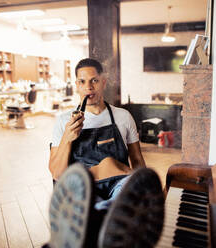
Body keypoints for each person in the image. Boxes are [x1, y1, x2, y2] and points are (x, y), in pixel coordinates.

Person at [46, 58, 164, 248]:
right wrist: (68, 137)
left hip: (119, 183)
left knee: (124, 196)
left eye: (94, 80)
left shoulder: (123, 117)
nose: (89, 87)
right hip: (86, 187)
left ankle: (100, 219)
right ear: (76, 85)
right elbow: (56, 173)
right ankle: (106, 220)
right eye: (82, 82)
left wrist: (144, 191)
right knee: (96, 204)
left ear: (103, 82)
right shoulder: (63, 121)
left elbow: (136, 159)